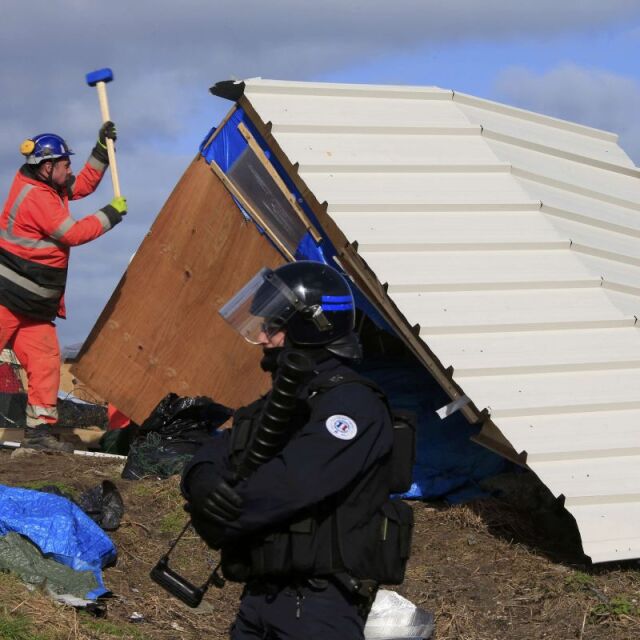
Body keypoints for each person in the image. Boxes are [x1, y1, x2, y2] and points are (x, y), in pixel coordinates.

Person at [181, 261, 413, 639]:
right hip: (260, 597)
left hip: (318, 604)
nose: (261, 338)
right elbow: (221, 446)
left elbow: (293, 481)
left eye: (273, 327)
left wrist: (221, 519)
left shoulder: (351, 404)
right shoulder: (284, 401)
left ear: (309, 326)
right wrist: (201, 478)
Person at [0, 125, 127, 452]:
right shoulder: (36, 197)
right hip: (7, 299)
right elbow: (72, 233)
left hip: (31, 307)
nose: (69, 169)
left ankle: (39, 433)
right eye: (64, 164)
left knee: (45, 362)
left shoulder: (48, 186)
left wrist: (101, 150)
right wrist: (110, 215)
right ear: (47, 167)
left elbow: (82, 183)